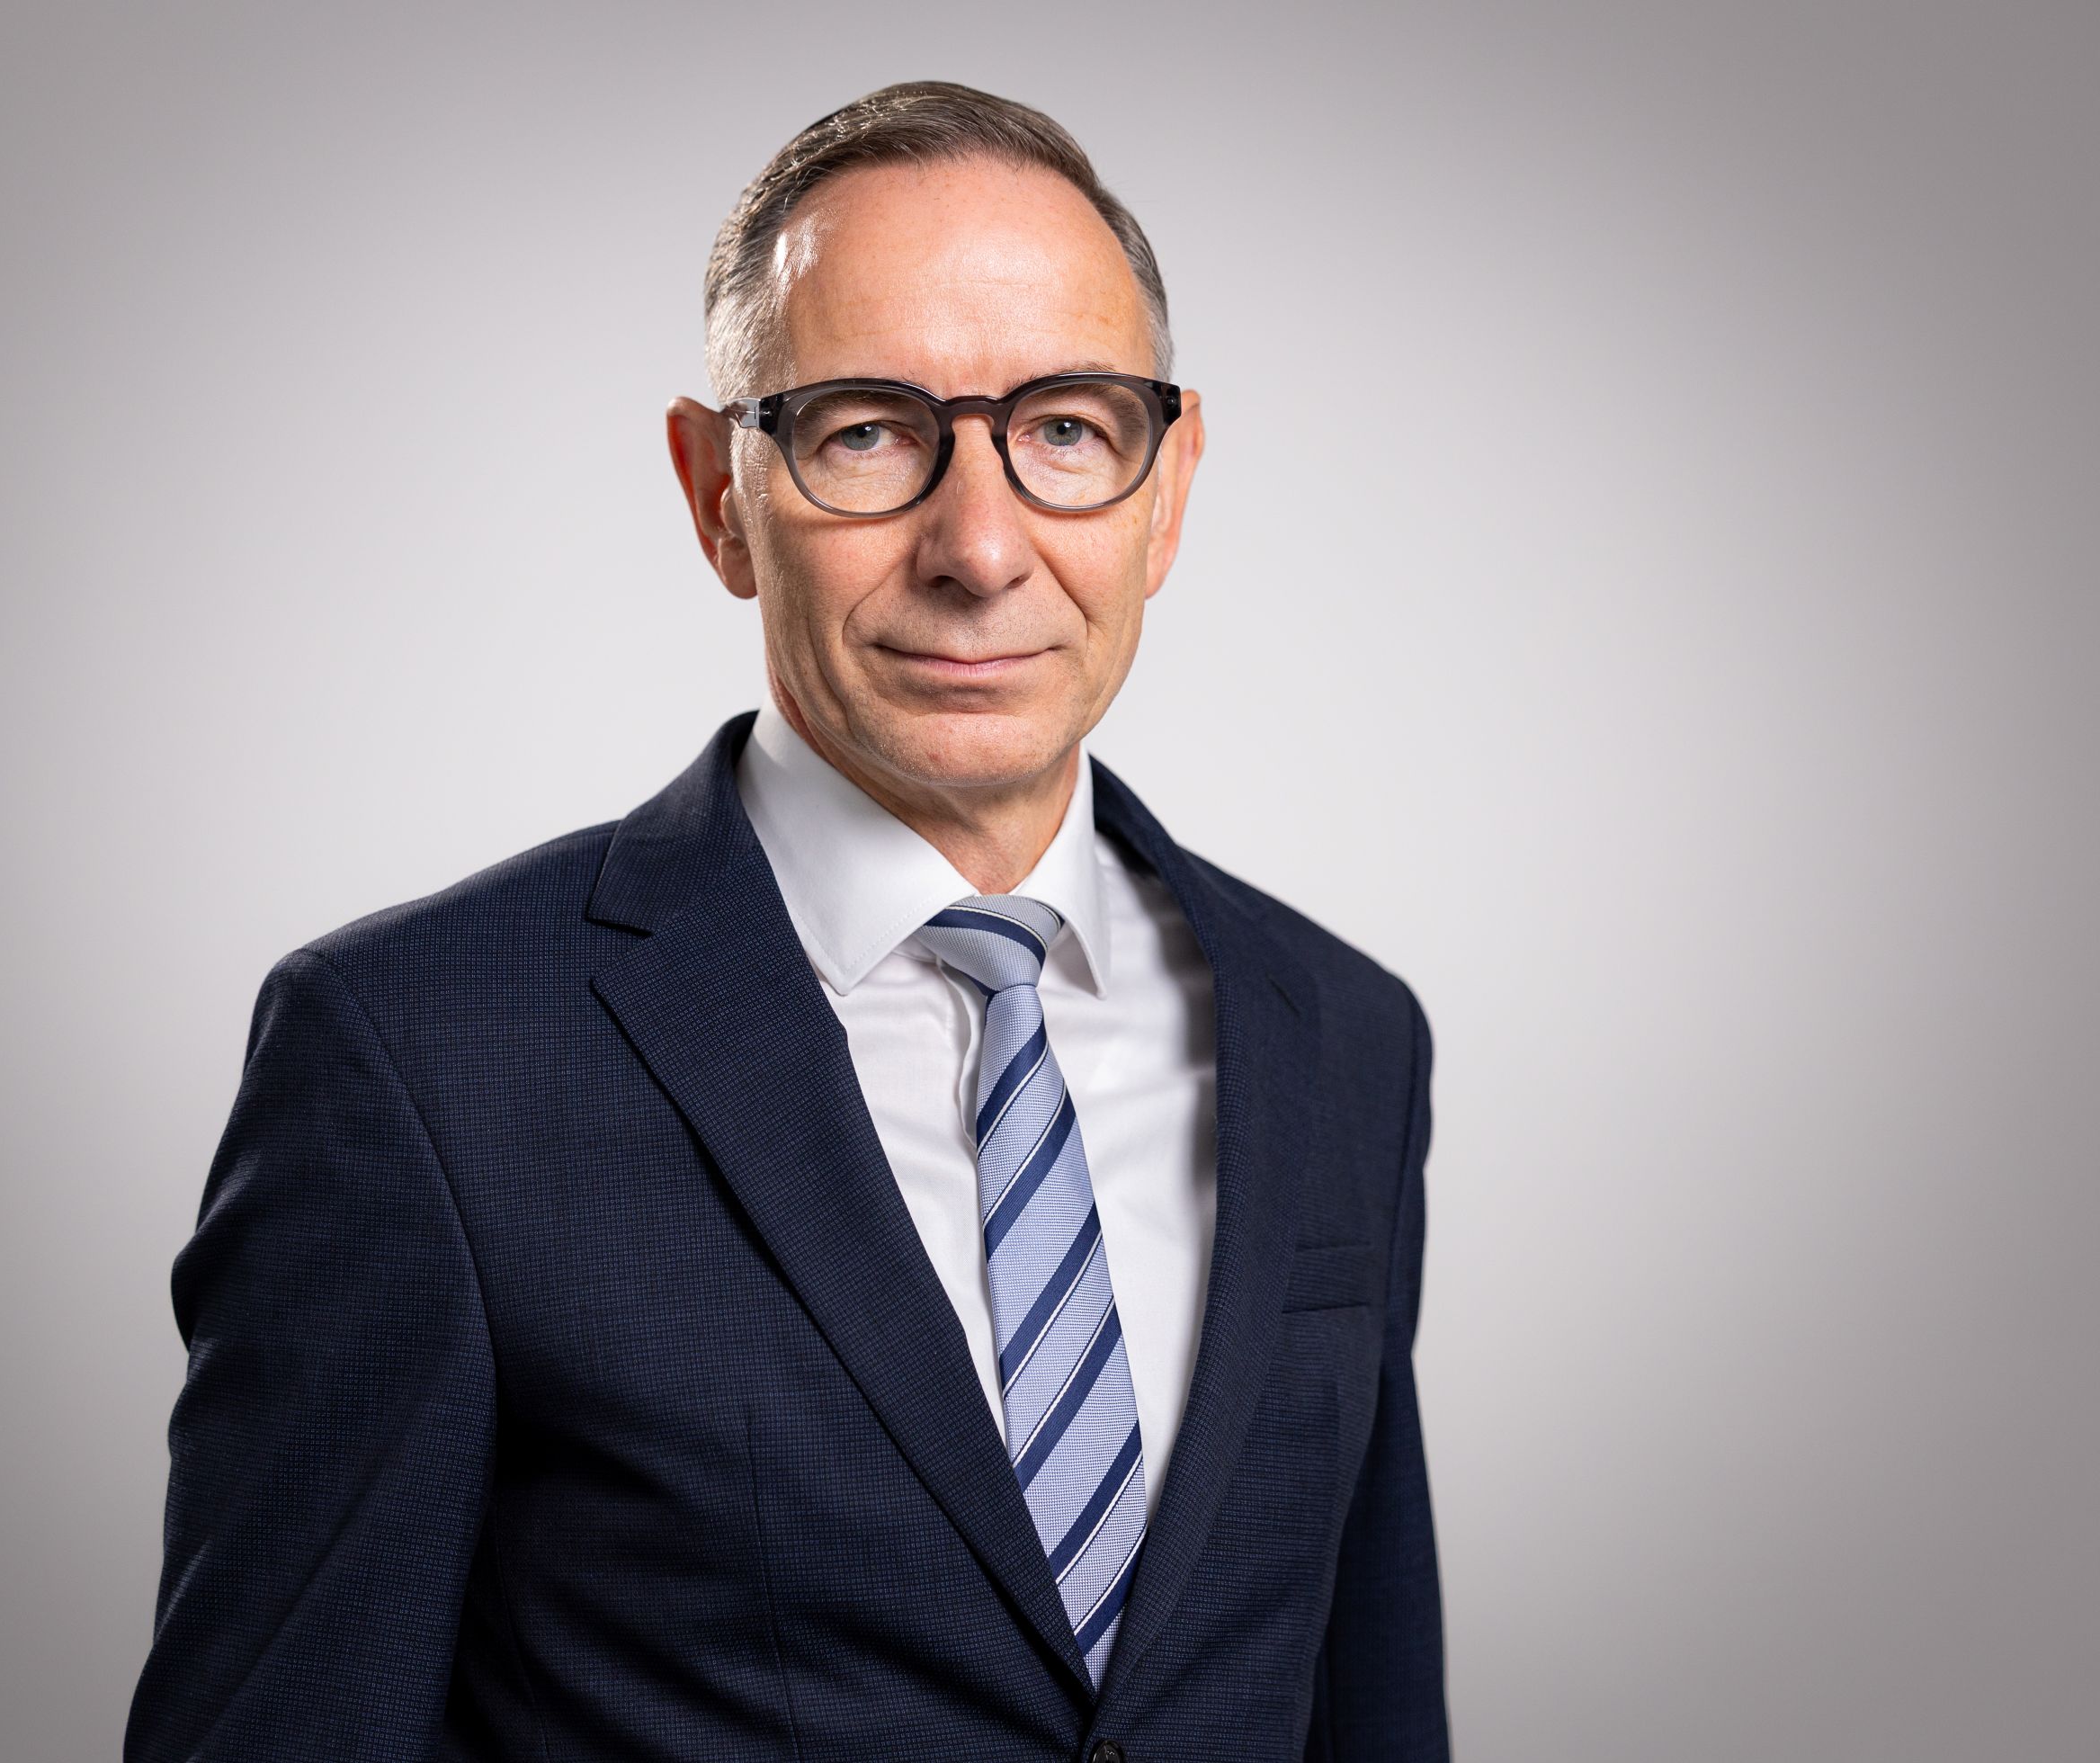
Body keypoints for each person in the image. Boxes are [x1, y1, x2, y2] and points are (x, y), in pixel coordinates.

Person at [126, 79, 1447, 1763]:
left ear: (1167, 489)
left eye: (1067, 430)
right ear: (717, 495)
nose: (981, 549)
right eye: (867, 432)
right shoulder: (416, 1059)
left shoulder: (1341, 1036)